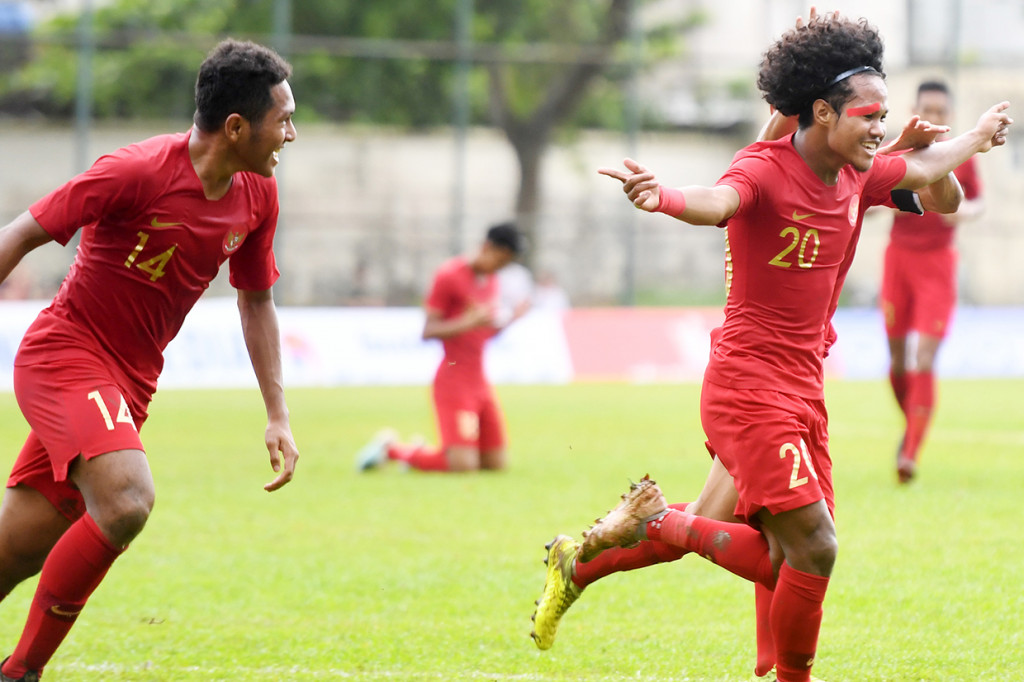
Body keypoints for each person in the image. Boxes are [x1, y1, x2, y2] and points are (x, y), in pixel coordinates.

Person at [530, 12, 1010, 682]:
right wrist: (661, 195)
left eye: (882, 116)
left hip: (802, 386)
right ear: (821, 110)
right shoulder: (764, 168)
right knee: (813, 549)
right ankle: (656, 522)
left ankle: (584, 559)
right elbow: (717, 199)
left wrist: (971, 139)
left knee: (785, 559)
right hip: (748, 387)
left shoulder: (857, 174)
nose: (879, 127)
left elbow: (934, 178)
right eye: (868, 115)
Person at [0, 39, 300, 681]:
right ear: (238, 127)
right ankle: (20, 672)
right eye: (284, 120)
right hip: (65, 355)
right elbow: (19, 235)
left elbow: (256, 301)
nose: (291, 135)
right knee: (128, 499)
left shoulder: (258, 196)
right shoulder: (134, 171)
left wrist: (277, 414)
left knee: (11, 557)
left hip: (130, 386)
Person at [356, 222, 527, 473]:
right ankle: (391, 449)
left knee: (495, 464)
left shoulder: (491, 281)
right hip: (454, 382)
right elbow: (428, 331)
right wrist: (469, 321)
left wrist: (512, 319)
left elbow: (481, 334)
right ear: (487, 247)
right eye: (501, 260)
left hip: (479, 381)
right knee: (463, 465)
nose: (501, 268)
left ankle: (421, 452)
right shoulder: (449, 275)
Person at [880, 81, 984, 484]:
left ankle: (909, 454)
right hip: (898, 261)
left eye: (942, 111)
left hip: (938, 265)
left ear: (951, 116)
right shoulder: (896, 150)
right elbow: (869, 193)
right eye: (929, 110)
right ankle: (913, 425)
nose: (935, 118)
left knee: (923, 358)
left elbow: (978, 202)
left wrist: (964, 213)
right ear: (915, 111)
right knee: (896, 359)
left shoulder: (961, 156)